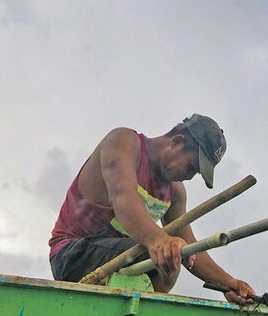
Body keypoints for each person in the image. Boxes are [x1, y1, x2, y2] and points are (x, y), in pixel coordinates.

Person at [49, 114, 254, 305]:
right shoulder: (124, 142)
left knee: (175, 254)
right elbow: (122, 195)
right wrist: (159, 240)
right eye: (191, 167)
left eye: (196, 173)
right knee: (162, 254)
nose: (190, 176)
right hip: (71, 254)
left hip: (120, 260)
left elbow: (190, 244)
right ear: (176, 142)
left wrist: (227, 282)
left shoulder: (175, 192)